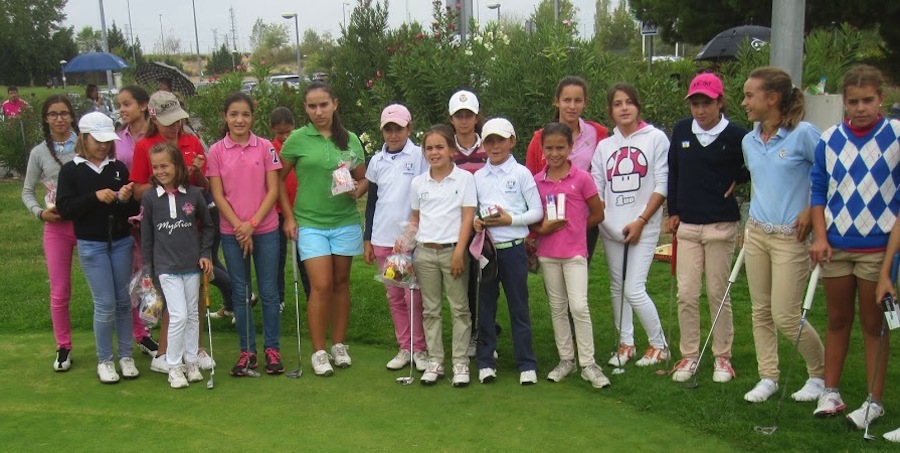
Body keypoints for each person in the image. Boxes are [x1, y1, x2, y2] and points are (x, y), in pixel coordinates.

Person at [810, 65, 900, 428]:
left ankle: (874, 401)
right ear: (844, 103)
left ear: (881, 99)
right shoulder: (829, 139)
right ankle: (830, 391)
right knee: (837, 319)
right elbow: (818, 191)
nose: (860, 108)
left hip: (879, 250)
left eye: (867, 100)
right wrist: (820, 237)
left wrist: (888, 268)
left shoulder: (896, 136)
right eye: (853, 102)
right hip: (836, 246)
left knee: (874, 324)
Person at [740, 66, 825, 403]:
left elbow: (829, 174)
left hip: (791, 237)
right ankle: (768, 376)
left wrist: (811, 210)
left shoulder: (804, 134)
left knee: (786, 315)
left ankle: (819, 376)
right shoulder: (749, 141)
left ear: (772, 98)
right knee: (760, 311)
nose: (744, 102)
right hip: (757, 233)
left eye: (750, 96)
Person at [279, 82, 368, 377]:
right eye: (312, 106)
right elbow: (277, 179)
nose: (318, 112)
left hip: (344, 222)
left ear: (335, 104)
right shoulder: (297, 139)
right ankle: (319, 351)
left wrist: (358, 189)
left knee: (341, 283)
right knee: (321, 285)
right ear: (305, 108)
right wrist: (288, 217)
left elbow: (363, 178)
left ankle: (338, 345)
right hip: (310, 223)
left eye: (323, 105)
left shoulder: (350, 139)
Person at [667, 73, 750, 384]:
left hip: (720, 224)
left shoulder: (737, 135)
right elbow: (674, 171)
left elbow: (755, 165)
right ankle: (689, 355)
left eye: (706, 103)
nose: (700, 110)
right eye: (695, 104)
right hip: (687, 224)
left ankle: (722, 356)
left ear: (720, 103)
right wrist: (673, 210)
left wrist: (738, 178)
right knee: (686, 293)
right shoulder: (681, 130)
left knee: (717, 293)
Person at [55, 112, 140, 384]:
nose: (103, 146)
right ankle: (105, 360)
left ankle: (126, 356)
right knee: (105, 304)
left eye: (107, 141)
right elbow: (66, 208)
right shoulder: (72, 170)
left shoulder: (118, 168)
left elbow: (131, 209)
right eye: (97, 140)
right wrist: (94, 197)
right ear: (84, 138)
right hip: (92, 244)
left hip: (121, 241)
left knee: (124, 301)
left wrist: (125, 198)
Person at [591, 83, 670, 369]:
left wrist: (641, 221)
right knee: (617, 287)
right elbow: (597, 188)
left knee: (634, 288)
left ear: (637, 106)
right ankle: (626, 343)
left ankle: (659, 345)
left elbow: (662, 185)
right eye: (617, 104)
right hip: (611, 228)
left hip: (643, 227)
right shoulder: (604, 146)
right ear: (610, 110)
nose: (624, 108)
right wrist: (607, 223)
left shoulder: (656, 138)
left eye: (629, 102)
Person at [130, 90, 209, 373]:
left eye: (178, 119)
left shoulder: (191, 141)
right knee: (172, 301)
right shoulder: (145, 146)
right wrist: (169, 179)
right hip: (164, 231)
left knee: (193, 297)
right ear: (154, 119)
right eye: (168, 121)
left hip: (192, 229)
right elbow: (138, 190)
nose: (175, 126)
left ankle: (193, 350)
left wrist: (193, 173)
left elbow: (203, 186)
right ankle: (165, 354)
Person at [207, 92, 283, 376]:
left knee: (269, 291)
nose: (240, 120)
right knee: (240, 292)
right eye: (234, 114)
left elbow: (273, 190)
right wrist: (240, 227)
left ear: (252, 117)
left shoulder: (265, 147)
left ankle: (272, 349)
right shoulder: (216, 151)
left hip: (265, 229)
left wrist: (252, 223)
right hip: (232, 232)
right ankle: (247, 351)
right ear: (225, 117)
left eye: (245, 114)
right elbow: (217, 194)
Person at [532, 122, 609, 388]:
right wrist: (541, 229)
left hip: (575, 253)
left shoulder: (582, 178)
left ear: (570, 147)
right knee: (558, 308)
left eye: (560, 148)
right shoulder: (537, 182)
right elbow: (533, 219)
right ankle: (567, 359)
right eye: (549, 148)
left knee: (578, 306)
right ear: (542, 149)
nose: (554, 153)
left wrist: (577, 229)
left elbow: (598, 214)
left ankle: (589, 363)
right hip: (548, 254)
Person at [471, 118, 542, 385]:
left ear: (512, 141)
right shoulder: (478, 177)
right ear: (483, 144)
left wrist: (510, 220)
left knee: (518, 307)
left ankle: (526, 363)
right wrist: (477, 221)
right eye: (489, 141)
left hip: (513, 250)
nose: (495, 146)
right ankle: (485, 361)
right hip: (487, 251)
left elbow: (536, 212)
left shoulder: (521, 173)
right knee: (485, 307)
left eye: (500, 140)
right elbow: (473, 210)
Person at [407, 124, 477, 386]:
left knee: (460, 309)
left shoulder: (465, 179)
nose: (434, 152)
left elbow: (467, 218)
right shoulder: (418, 183)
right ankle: (435, 361)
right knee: (431, 310)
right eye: (429, 148)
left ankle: (460, 363)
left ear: (451, 150)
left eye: (439, 147)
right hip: (424, 252)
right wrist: (405, 242)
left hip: (453, 251)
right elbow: (416, 218)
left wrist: (459, 252)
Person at [141, 142, 214, 388]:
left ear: (177, 166)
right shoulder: (150, 198)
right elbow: (147, 238)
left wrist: (205, 254)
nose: (160, 171)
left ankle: (191, 362)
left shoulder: (194, 194)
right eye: (155, 167)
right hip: (166, 268)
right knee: (179, 315)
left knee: (192, 315)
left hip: (191, 266)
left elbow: (208, 226)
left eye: (165, 166)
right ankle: (173, 366)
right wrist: (149, 271)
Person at [363, 104, 428, 371]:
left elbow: (426, 195)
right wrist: (368, 238)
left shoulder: (420, 156)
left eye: (398, 129)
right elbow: (372, 201)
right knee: (395, 297)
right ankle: (405, 347)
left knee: (413, 296)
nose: (393, 134)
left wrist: (412, 232)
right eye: (388, 129)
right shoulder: (376, 161)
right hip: (383, 238)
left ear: (408, 128)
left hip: (411, 239)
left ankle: (420, 349)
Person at [525, 76, 609, 264]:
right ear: (557, 101)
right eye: (566, 100)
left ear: (585, 102)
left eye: (578, 100)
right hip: (551, 221)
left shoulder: (598, 134)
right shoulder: (540, 139)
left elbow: (604, 172)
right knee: (553, 274)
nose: (572, 106)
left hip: (585, 220)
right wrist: (536, 228)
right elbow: (530, 184)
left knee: (579, 273)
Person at [21, 95, 78, 371]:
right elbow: (27, 191)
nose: (59, 119)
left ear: (72, 116)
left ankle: (138, 334)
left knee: (107, 288)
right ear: (46, 118)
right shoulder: (39, 152)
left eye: (64, 113)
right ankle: (63, 345)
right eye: (53, 114)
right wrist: (39, 213)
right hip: (56, 226)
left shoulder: (86, 143)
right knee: (59, 290)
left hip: (87, 223)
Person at [446, 89, 499, 357]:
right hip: (455, 227)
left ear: (477, 117)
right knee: (464, 284)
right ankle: (469, 335)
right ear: (451, 119)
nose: (464, 120)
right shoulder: (446, 150)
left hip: (488, 228)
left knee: (486, 284)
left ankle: (485, 333)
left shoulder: (488, 148)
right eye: (459, 116)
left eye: (468, 115)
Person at [270, 107, 310, 308]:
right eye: (280, 133)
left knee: (306, 257)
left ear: (294, 126)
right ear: (273, 130)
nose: (285, 137)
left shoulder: (301, 145)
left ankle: (312, 295)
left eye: (288, 132)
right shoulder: (270, 149)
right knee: (277, 258)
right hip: (277, 212)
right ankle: (278, 299)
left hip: (301, 210)